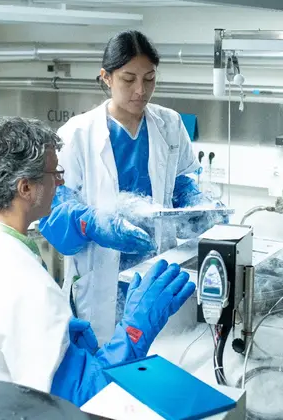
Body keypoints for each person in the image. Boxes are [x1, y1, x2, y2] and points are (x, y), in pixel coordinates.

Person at [0, 117, 196, 407]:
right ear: (25, 188)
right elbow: (90, 397)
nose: (61, 181)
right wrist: (137, 325)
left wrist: (56, 339)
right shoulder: (25, 282)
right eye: (54, 172)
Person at [38, 30, 224, 344]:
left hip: (157, 270)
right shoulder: (78, 134)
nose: (141, 90)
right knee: (105, 368)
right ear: (106, 78)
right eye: (128, 79)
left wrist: (194, 201)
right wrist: (93, 222)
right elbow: (55, 207)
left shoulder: (170, 124)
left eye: (149, 78)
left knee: (160, 358)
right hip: (100, 280)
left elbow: (181, 179)